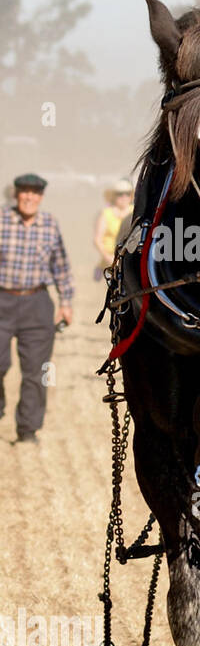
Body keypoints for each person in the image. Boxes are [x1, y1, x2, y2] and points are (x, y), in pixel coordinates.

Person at [0, 173, 74, 444]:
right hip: (2, 300)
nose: (29, 197)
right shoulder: (2, 220)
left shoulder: (49, 224)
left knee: (36, 370)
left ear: (41, 197)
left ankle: (28, 431)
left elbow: (61, 267)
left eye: (35, 192)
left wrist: (65, 302)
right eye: (24, 192)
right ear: (15, 194)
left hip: (37, 303)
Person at [93, 179, 133, 281]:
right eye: (120, 194)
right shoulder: (106, 214)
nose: (124, 197)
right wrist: (109, 258)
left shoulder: (135, 212)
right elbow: (98, 240)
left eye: (127, 194)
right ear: (114, 196)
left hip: (130, 260)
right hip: (108, 262)